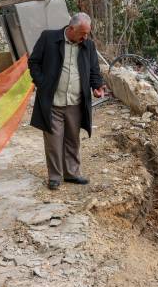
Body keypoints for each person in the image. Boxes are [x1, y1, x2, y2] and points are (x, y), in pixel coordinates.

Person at [28, 13, 106, 190]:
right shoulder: (49, 38)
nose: (85, 37)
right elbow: (34, 62)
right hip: (53, 102)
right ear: (71, 29)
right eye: (83, 33)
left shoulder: (88, 45)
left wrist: (97, 86)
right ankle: (55, 177)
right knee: (54, 142)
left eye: (87, 34)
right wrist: (43, 84)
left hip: (75, 102)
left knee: (73, 139)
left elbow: (94, 70)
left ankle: (72, 173)